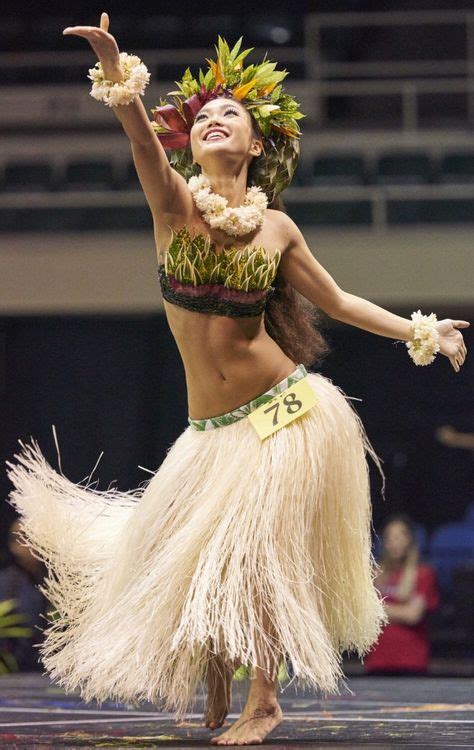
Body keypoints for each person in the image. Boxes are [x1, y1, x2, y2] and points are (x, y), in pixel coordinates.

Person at [5, 12, 469, 746]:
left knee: (258, 560)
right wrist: (117, 72)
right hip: (210, 431)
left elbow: (340, 301)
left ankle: (266, 699)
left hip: (288, 412)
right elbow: (137, 140)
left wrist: (423, 330)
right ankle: (219, 671)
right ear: (189, 141)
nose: (217, 119)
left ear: (257, 145)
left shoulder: (278, 230)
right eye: (206, 115)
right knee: (181, 557)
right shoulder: (175, 206)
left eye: (233, 115)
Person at [364, 514, 440, 675]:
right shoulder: (374, 574)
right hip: (377, 660)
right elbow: (363, 612)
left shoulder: (423, 573)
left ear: (410, 539)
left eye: (399, 536)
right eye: (389, 537)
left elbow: (412, 615)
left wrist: (376, 608)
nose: (394, 542)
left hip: (410, 661)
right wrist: (398, 610)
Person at [0, 519, 48, 671]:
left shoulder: (51, 581)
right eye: (24, 537)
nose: (31, 543)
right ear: (12, 545)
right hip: (15, 674)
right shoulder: (7, 583)